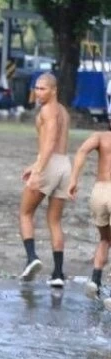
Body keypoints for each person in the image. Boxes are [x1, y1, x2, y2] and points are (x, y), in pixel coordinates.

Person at [19, 73, 71, 288]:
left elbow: (49, 143)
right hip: (64, 165)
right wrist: (35, 164)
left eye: (43, 89)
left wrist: (38, 171)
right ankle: (58, 273)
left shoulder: (48, 111)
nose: (38, 92)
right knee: (54, 221)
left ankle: (32, 258)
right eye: (37, 88)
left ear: (54, 90)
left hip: (49, 165)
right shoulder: (63, 111)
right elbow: (56, 145)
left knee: (25, 213)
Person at [68, 121, 111, 301]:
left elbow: (82, 151)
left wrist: (73, 180)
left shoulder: (100, 137)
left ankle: (95, 280)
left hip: (99, 192)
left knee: (105, 238)